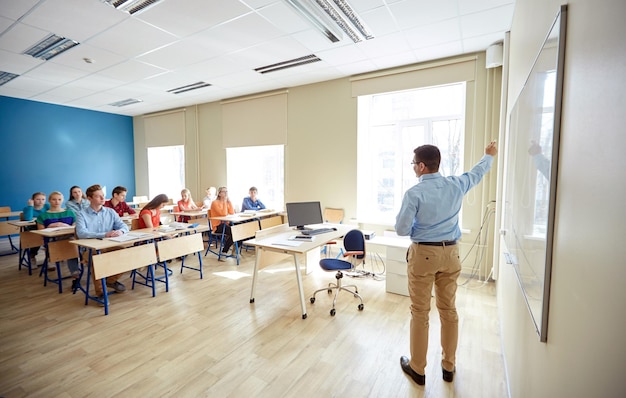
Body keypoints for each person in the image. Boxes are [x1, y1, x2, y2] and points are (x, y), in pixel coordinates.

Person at [395, 140, 498, 386]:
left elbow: (401, 229)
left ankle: (418, 369)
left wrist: (420, 225)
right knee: (448, 310)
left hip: (423, 255)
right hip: (452, 254)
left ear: (421, 166)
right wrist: (489, 156)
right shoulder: (456, 184)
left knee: (420, 312)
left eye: (413, 164)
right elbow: (477, 173)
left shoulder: (414, 193)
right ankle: (448, 366)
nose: (413, 168)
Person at [75, 184, 129, 302]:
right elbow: (81, 233)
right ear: (89, 198)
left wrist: (120, 231)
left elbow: (123, 226)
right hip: (89, 249)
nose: (102, 198)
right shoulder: (81, 214)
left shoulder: (110, 212)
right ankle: (100, 293)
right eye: (98, 196)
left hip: (109, 245)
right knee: (97, 258)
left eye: (103, 196)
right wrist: (104, 234)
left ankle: (110, 281)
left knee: (127, 254)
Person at [36, 191, 79, 280]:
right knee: (65, 245)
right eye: (54, 199)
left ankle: (75, 272)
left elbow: (75, 227)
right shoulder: (43, 215)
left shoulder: (70, 213)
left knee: (71, 244)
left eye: (59, 199)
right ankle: (52, 259)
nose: (57, 202)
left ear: (62, 201)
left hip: (69, 238)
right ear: (49, 200)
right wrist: (49, 226)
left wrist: (66, 226)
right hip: (52, 240)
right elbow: (41, 232)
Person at [22, 192, 50, 265]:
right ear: (33, 200)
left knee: (51, 240)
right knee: (37, 239)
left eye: (43, 199)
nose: (41, 201)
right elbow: (28, 219)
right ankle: (32, 256)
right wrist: (30, 206)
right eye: (38, 199)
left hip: (46, 228)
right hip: (32, 229)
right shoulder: (27, 208)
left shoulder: (47, 206)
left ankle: (50, 258)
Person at [210, 186, 235, 256]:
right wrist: (224, 201)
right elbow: (223, 214)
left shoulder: (226, 202)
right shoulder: (214, 203)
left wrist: (229, 202)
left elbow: (232, 212)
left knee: (240, 228)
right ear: (219, 194)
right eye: (224, 192)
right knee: (234, 232)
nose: (226, 193)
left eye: (226, 191)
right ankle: (224, 251)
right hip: (217, 226)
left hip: (226, 223)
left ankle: (235, 249)